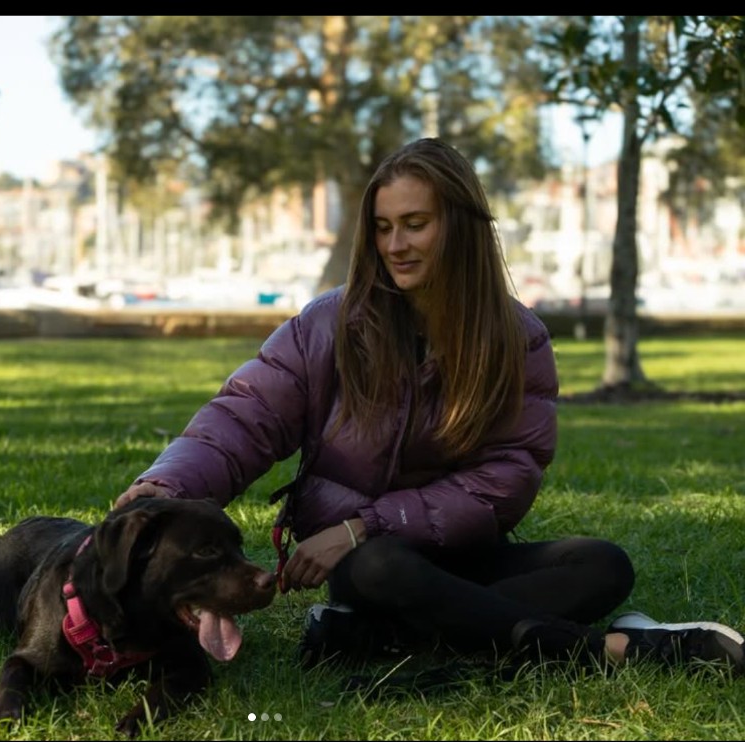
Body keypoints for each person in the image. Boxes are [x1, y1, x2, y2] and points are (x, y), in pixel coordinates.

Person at [113, 137, 745, 675]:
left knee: (603, 564)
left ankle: (375, 637)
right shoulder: (325, 326)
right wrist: (160, 487)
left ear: (459, 226)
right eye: (384, 227)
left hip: (449, 551)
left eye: (416, 224)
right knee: (385, 567)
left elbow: (504, 481)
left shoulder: (517, 338)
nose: (396, 244)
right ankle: (606, 650)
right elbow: (241, 420)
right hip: (368, 565)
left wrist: (366, 523)